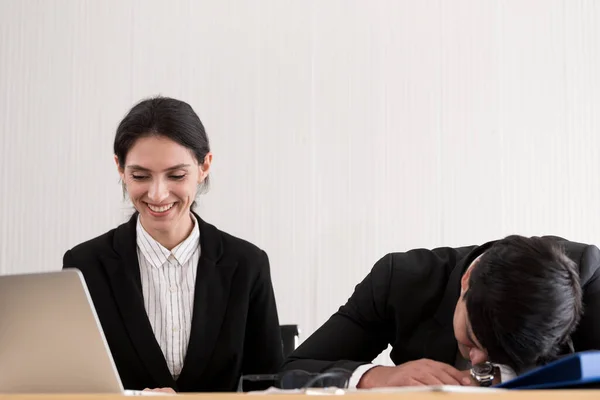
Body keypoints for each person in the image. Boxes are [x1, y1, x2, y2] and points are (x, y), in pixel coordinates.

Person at [63, 96, 283, 393]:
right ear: (120, 168)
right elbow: (73, 385)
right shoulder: (86, 265)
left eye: (176, 175)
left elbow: (269, 387)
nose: (157, 194)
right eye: (140, 176)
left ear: (205, 166)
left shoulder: (247, 264)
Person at [282, 235, 600, 388]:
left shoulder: (589, 275)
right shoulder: (402, 280)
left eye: (498, 351)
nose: (479, 359)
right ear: (466, 283)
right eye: (473, 339)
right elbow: (289, 371)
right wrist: (377, 377)